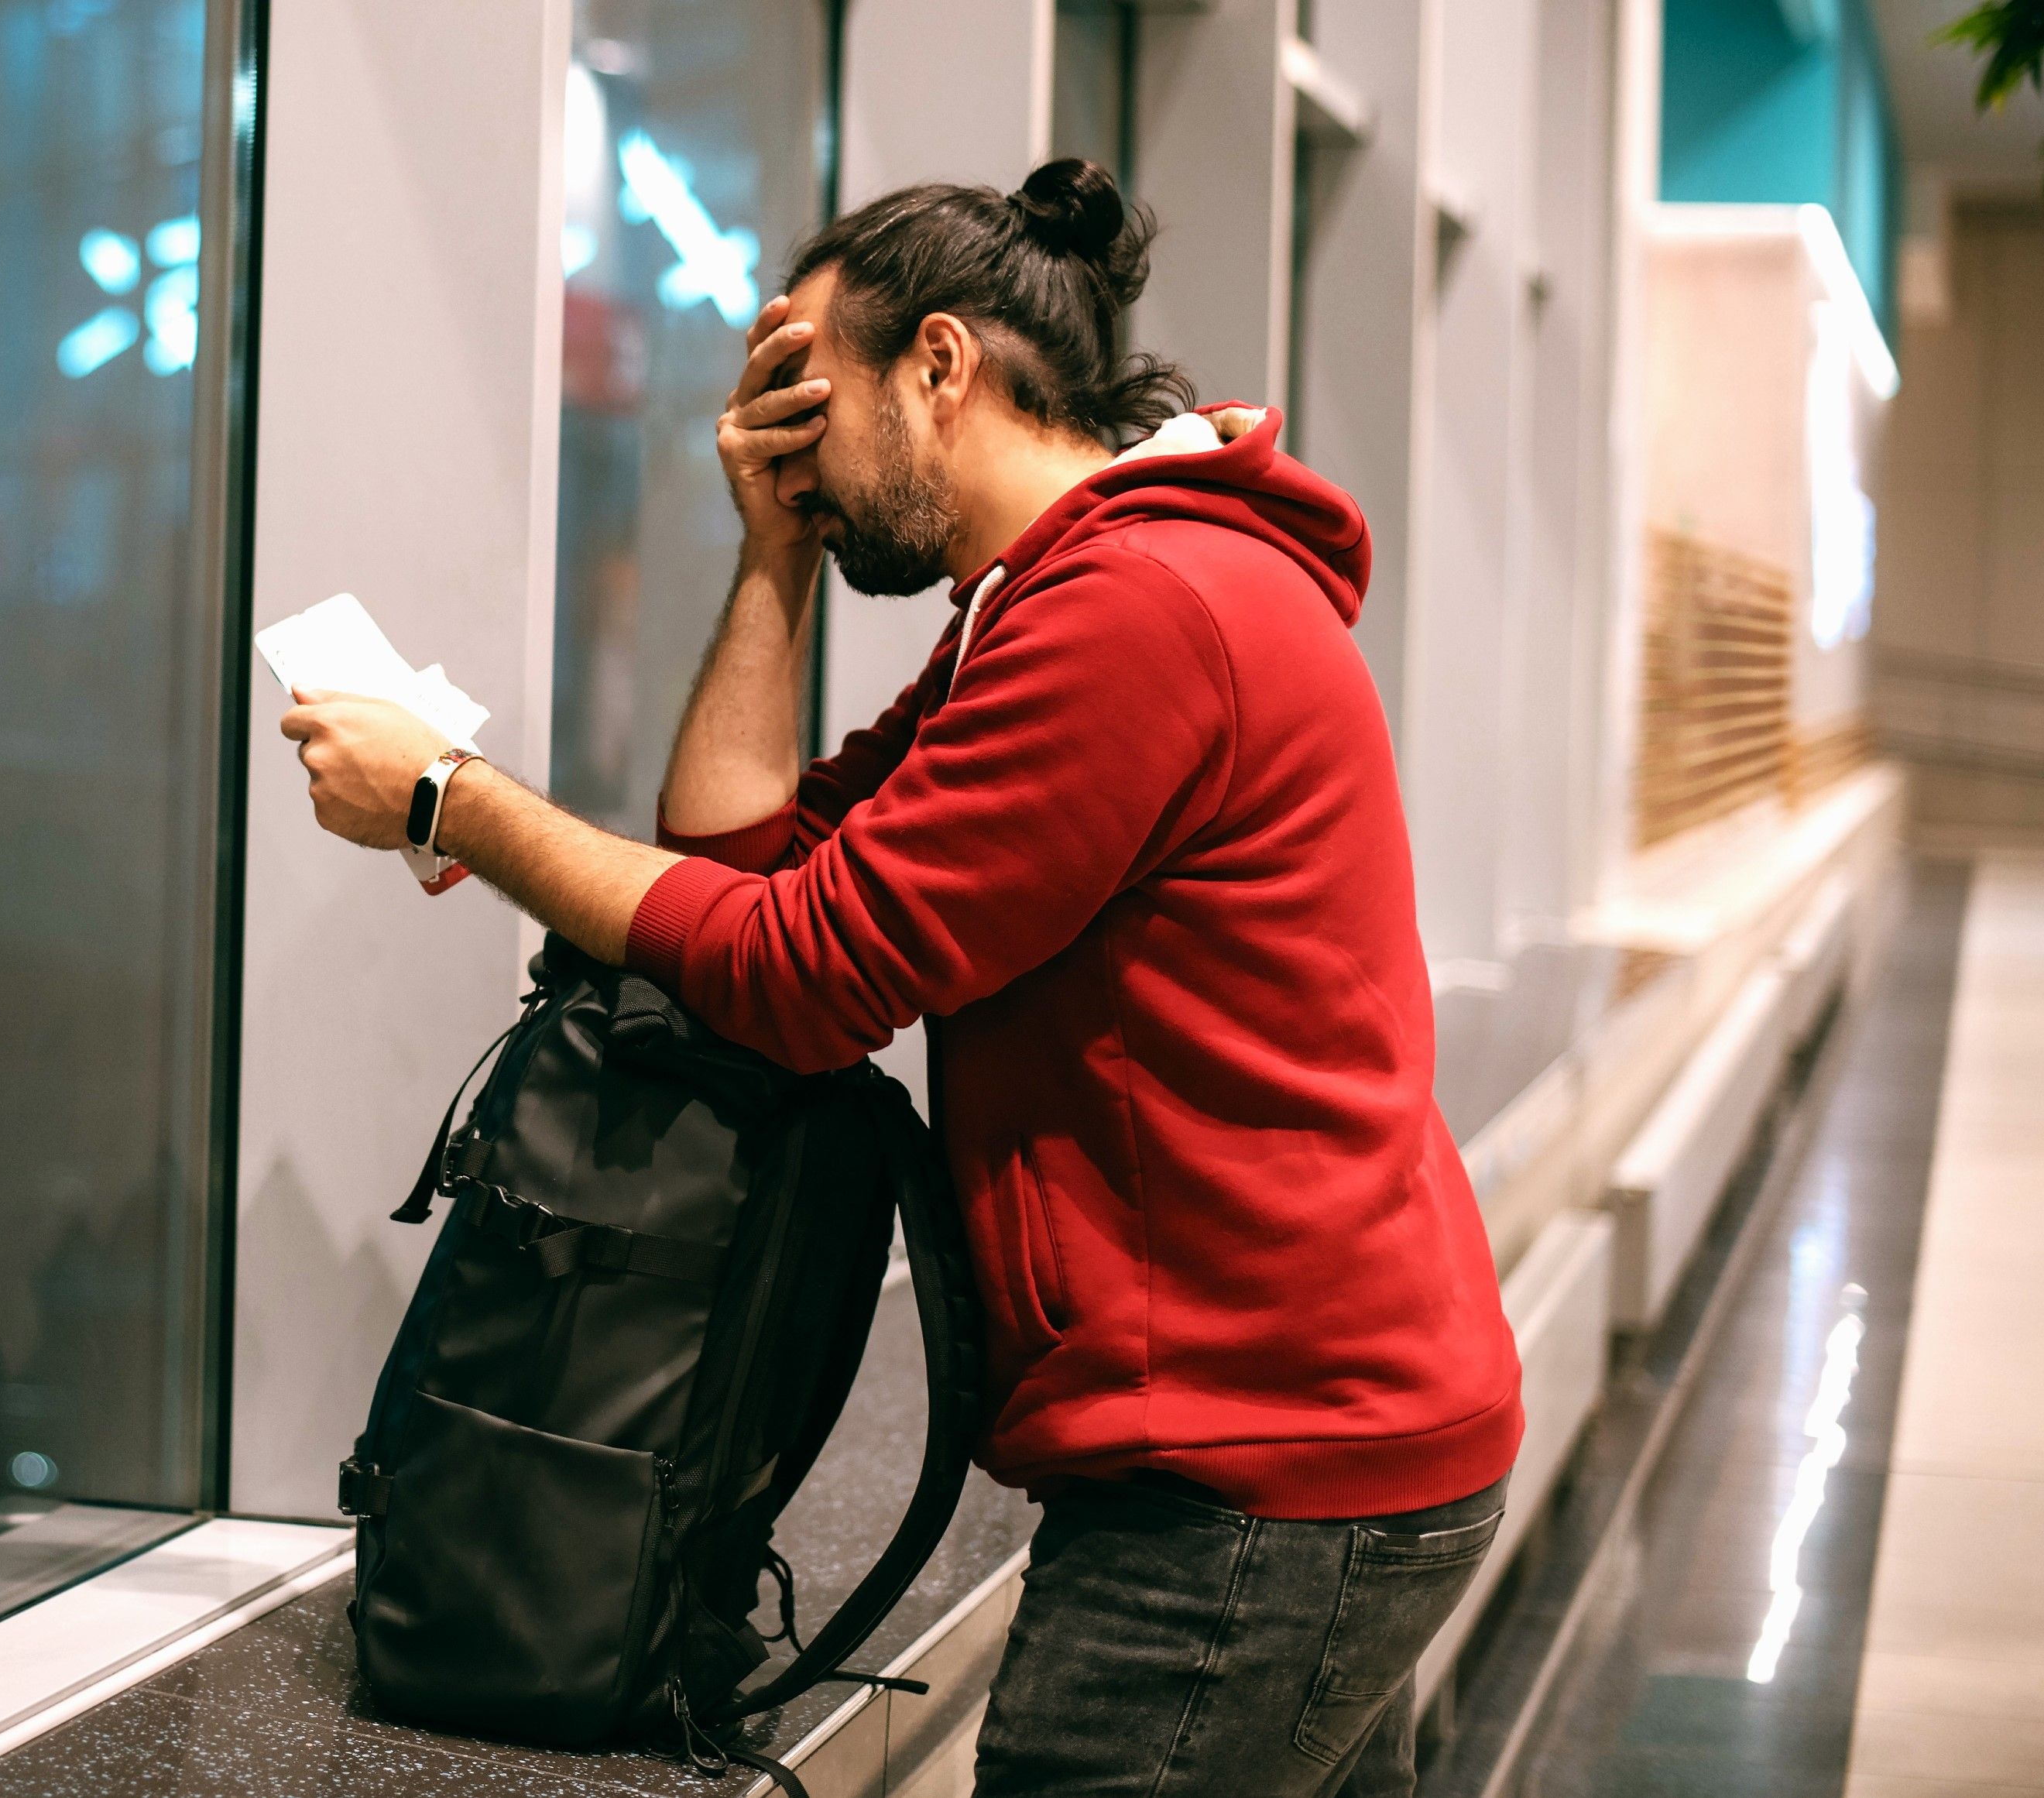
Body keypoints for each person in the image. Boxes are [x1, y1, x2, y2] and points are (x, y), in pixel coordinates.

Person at [280, 160, 1521, 1795]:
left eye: (803, 379)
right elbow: (743, 871)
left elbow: (805, 975)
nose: (775, 427)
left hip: (1247, 1478)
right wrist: (775, 551)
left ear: (938, 366)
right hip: (1307, 1439)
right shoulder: (1053, 603)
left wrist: (451, 800)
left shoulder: (1134, 611)